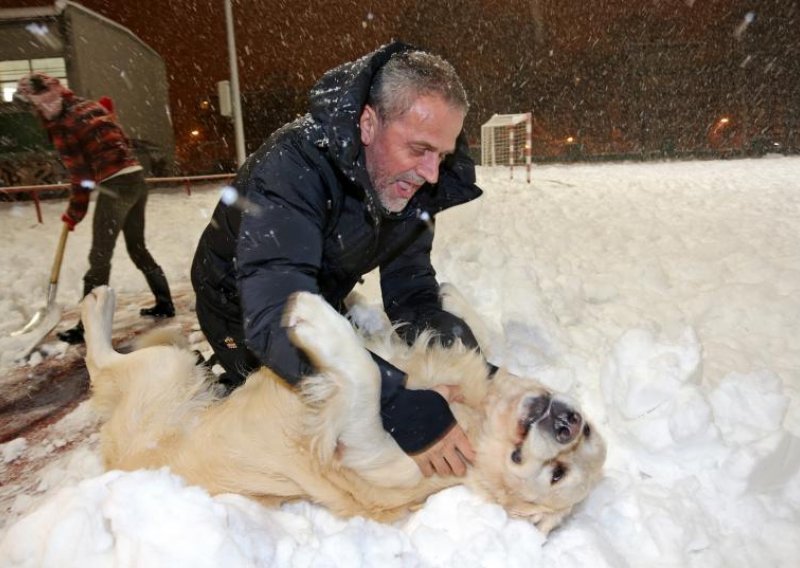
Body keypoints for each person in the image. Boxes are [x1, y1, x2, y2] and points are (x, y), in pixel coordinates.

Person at [191, 42, 485, 477]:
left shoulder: (411, 185)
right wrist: (393, 400)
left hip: (320, 297)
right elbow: (277, 317)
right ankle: (222, 374)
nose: (431, 173)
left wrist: (465, 356)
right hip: (240, 310)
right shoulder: (291, 168)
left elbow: (412, 295)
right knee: (284, 422)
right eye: (419, 148)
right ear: (368, 123)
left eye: (442, 155)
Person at [14, 73, 174, 344]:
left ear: (41, 101)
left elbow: (80, 176)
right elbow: (122, 139)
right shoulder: (88, 106)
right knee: (137, 247)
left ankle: (88, 325)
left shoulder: (62, 124)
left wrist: (74, 213)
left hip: (116, 186)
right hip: (136, 179)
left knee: (99, 258)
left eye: (34, 104)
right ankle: (165, 302)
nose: (35, 110)